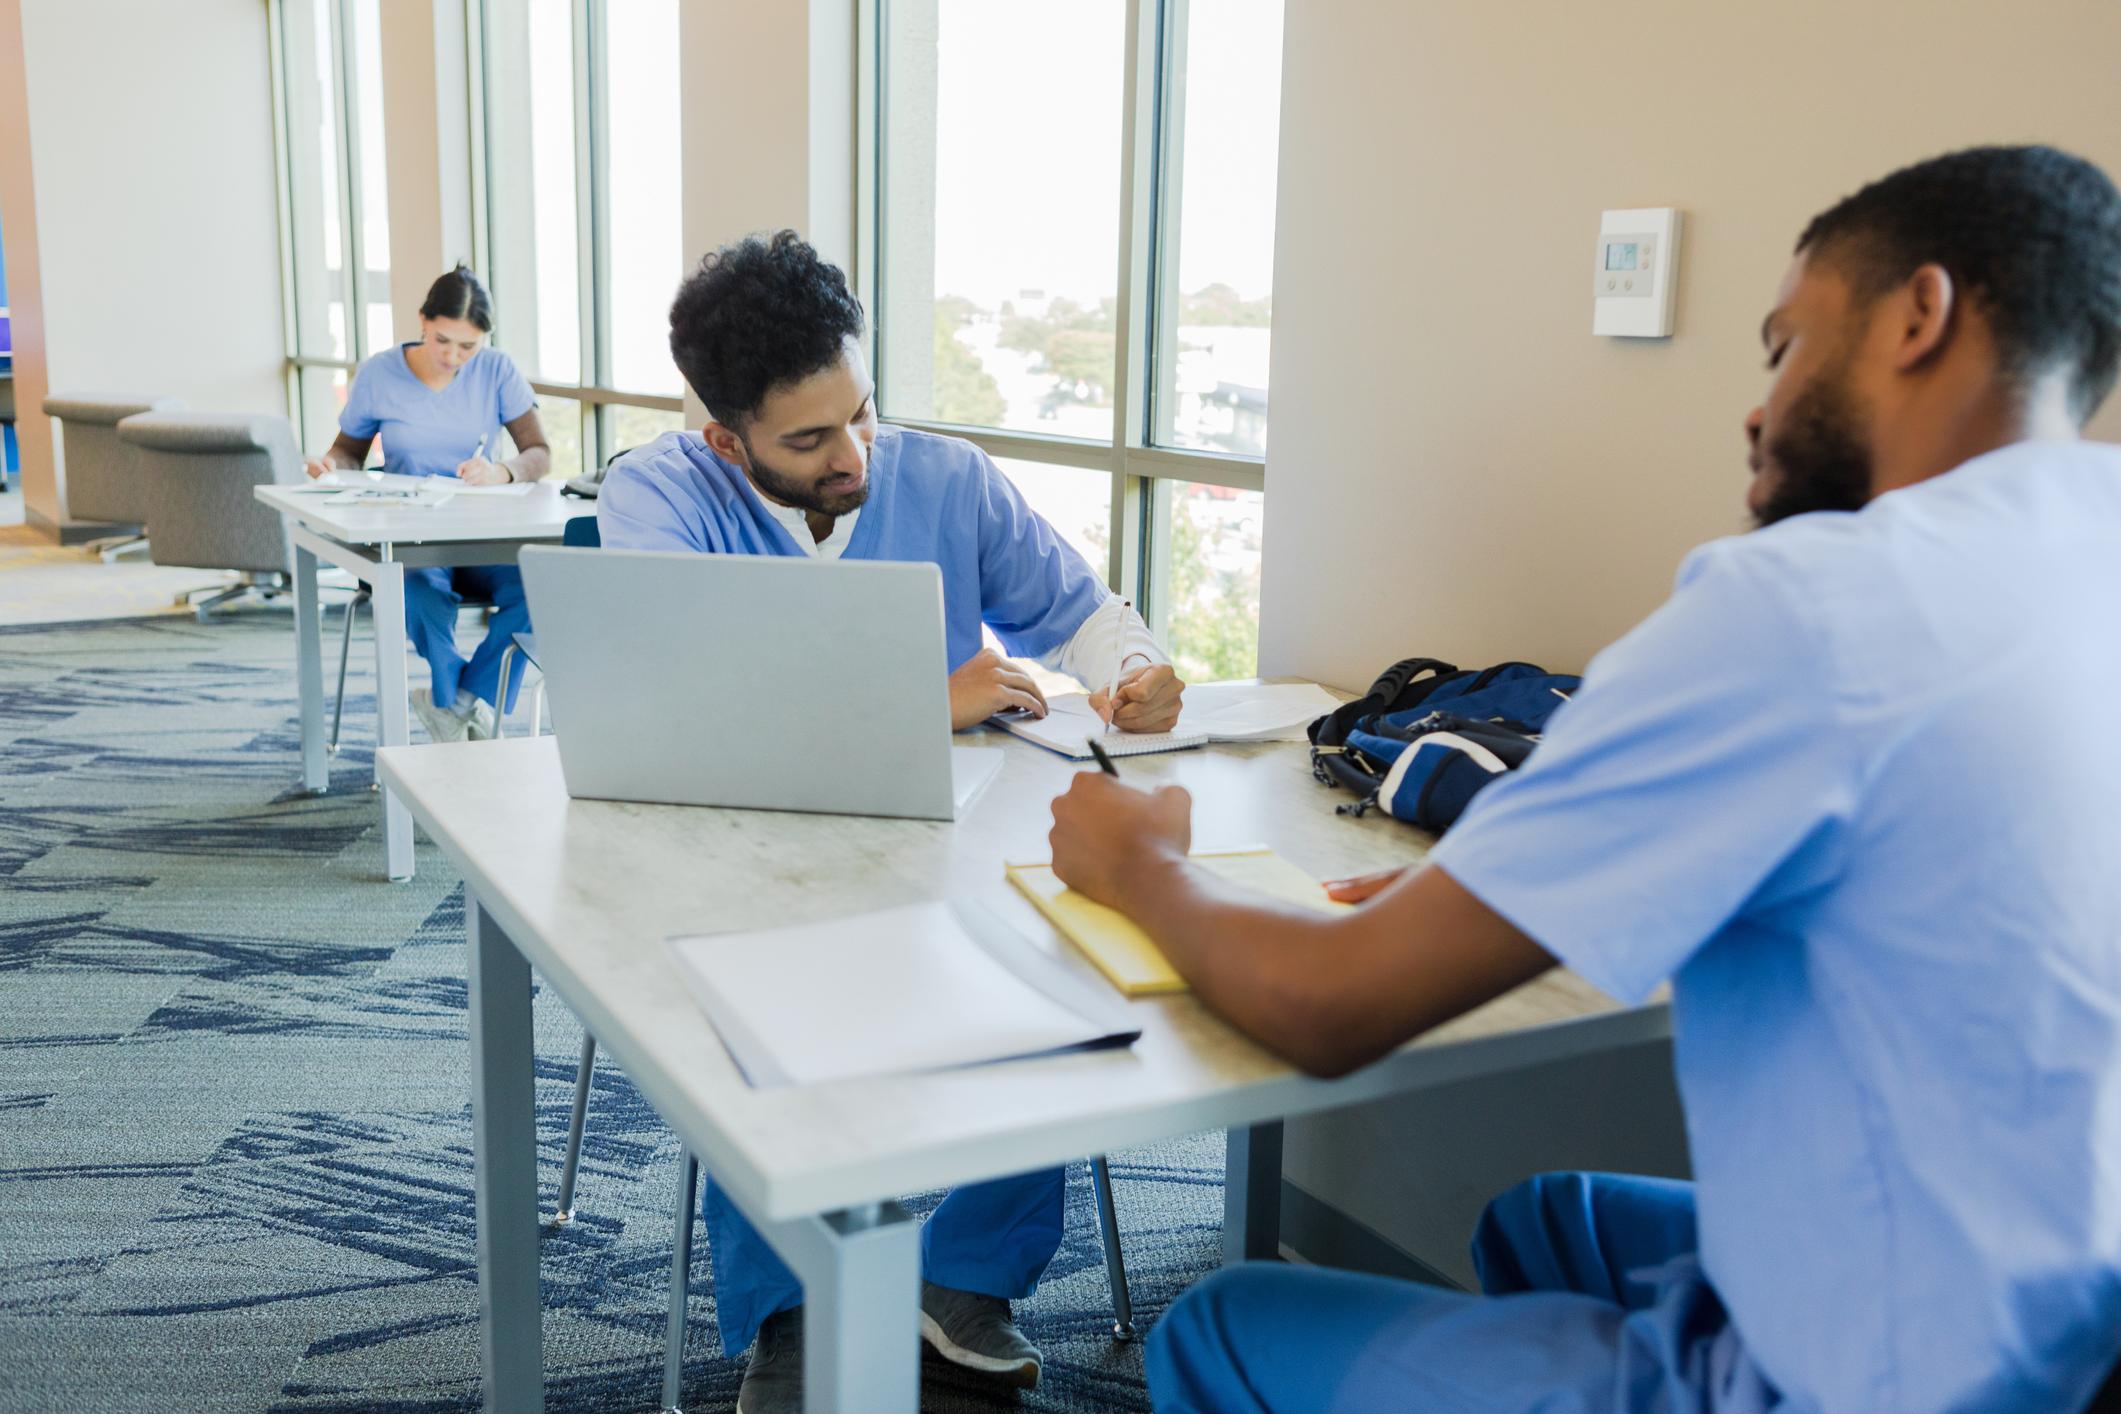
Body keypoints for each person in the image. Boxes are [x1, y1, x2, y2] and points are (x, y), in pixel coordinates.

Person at [1047, 144, 2121, 1412]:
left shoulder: (1812, 603)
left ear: (1917, 315)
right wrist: (1511, 893)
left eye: (1783, 347)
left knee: (1224, 1323)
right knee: (1550, 1221)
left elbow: (1332, 1012)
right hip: (2068, 1325)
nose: (1757, 406)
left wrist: (1142, 864)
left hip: (1883, 1383)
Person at [596, 231, 1187, 1410]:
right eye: (810, 439)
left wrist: (1138, 666)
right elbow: (684, 701)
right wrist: (934, 695)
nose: (855, 454)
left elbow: (1081, 613)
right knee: (742, 999)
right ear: (727, 437)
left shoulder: (948, 479)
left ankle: (963, 1274)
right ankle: (798, 1303)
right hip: (747, 864)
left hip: (946, 845)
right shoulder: (658, 496)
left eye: (862, 414)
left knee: (1065, 959)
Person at [303, 266, 551, 744]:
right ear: (422, 320)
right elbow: (348, 450)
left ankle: (453, 703)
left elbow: (537, 453)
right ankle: (452, 701)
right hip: (411, 537)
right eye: (442, 341)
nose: (453, 357)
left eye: (467, 347)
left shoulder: (497, 369)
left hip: (483, 535)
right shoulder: (380, 372)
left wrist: (501, 471)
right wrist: (329, 465)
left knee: (538, 591)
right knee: (417, 591)